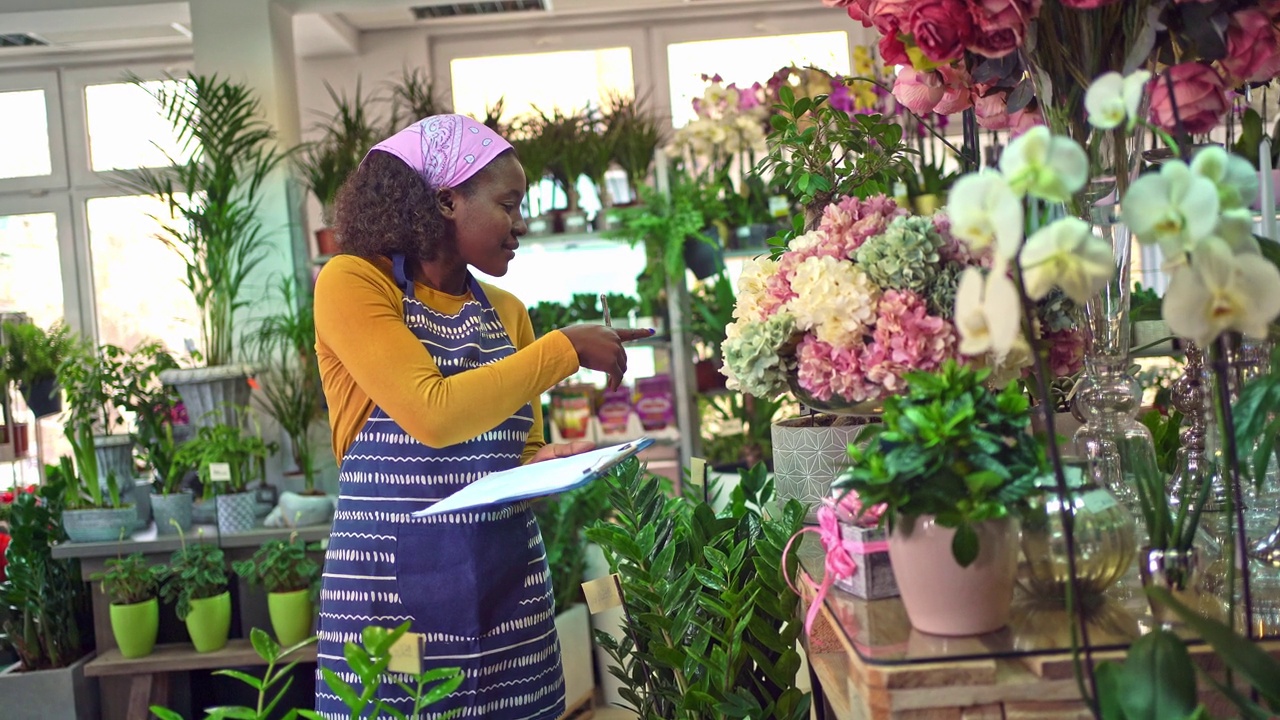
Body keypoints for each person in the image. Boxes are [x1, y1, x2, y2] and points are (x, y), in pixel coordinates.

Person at [311, 114, 650, 719]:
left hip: (507, 594)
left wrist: (545, 465)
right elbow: (433, 414)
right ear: (446, 200)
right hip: (390, 599)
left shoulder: (508, 313)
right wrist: (566, 347)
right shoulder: (352, 283)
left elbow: (517, 450)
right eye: (509, 204)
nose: (519, 225)